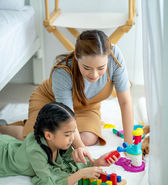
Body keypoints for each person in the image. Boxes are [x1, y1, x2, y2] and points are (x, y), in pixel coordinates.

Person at [0, 30, 134, 163]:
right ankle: (4, 128)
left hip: (87, 106)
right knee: (43, 141)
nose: (94, 74)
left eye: (101, 68)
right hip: (51, 103)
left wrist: (129, 143)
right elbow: (67, 116)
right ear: (76, 56)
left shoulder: (115, 57)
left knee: (88, 138)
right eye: (87, 68)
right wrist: (80, 148)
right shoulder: (62, 72)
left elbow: (125, 102)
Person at [0, 102, 119, 185]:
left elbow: (70, 164)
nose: (72, 138)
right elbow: (49, 183)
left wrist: (95, 162)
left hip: (11, 144)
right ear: (48, 135)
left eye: (74, 132)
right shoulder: (36, 152)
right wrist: (81, 174)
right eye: (67, 134)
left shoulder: (61, 143)